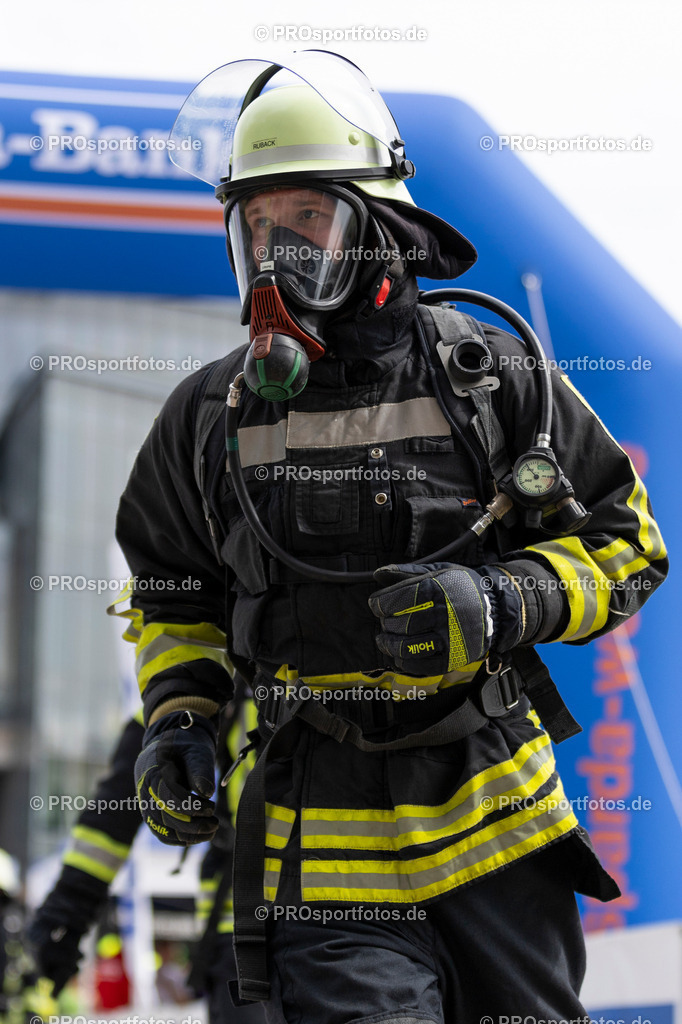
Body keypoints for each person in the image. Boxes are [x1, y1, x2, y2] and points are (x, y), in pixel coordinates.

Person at [116, 51, 668, 1023]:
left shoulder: (492, 377)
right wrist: (179, 721)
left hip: (496, 826)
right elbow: (173, 597)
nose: (280, 253)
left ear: (375, 228)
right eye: (260, 224)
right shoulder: (208, 418)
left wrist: (503, 601)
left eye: (309, 221)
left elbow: (628, 548)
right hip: (324, 851)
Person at [28, 696, 264, 1022]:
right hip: (245, 932)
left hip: (262, 930)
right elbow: (117, 806)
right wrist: (66, 910)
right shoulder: (204, 677)